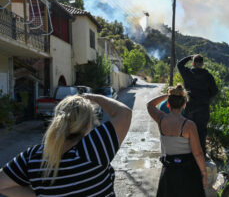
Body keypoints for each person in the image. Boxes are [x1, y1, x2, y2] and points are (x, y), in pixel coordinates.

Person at [0, 94, 132, 196]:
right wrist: (91, 97)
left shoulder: (33, 157)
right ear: (87, 126)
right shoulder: (92, 150)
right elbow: (124, 113)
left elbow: (2, 184)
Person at [147, 84, 207, 197]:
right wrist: (204, 173)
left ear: (168, 104)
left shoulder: (161, 120)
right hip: (188, 173)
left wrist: (168, 95)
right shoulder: (189, 125)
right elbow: (198, 153)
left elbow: (150, 105)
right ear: (184, 104)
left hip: (169, 172)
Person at [177, 54, 218, 154]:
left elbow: (179, 64)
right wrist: (206, 98)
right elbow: (215, 91)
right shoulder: (208, 76)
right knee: (201, 132)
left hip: (189, 107)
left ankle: (187, 153)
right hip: (203, 108)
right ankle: (201, 155)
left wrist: (189, 56)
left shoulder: (188, 73)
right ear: (203, 64)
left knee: (188, 131)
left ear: (193, 63)